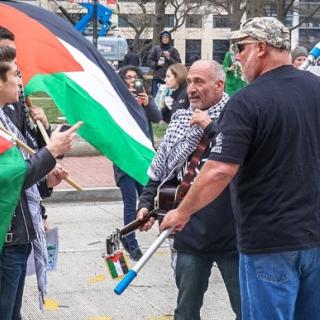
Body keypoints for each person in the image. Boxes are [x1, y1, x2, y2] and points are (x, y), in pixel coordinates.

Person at [161, 17, 320, 320]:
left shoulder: (247, 101)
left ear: (261, 48)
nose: (236, 57)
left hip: (269, 243)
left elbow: (219, 170)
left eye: (240, 48)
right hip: (313, 238)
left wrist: (183, 211)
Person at [137, 60, 240, 320]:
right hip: (189, 234)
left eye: (199, 82)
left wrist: (210, 127)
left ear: (219, 85)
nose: (191, 89)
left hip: (232, 236)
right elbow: (161, 169)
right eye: (190, 82)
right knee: (185, 311)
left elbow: (238, 157)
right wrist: (146, 203)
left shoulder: (236, 115)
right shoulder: (181, 118)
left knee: (247, 309)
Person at [0, 45, 81, 320]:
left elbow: (18, 179)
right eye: (16, 74)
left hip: (19, 236)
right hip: (6, 240)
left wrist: (46, 180)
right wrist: (51, 152)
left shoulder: (6, 119)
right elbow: (9, 178)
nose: (21, 81)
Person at [113, 65, 162, 261]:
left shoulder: (144, 98)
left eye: (135, 77)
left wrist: (147, 103)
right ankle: (130, 241)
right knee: (130, 203)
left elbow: (157, 118)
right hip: (125, 159)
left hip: (143, 159)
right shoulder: (118, 99)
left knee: (148, 200)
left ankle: (164, 232)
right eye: (127, 77)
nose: (131, 81)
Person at [147, 31, 181, 97]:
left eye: (167, 37)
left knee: (169, 98)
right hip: (157, 77)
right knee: (156, 97)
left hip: (170, 79)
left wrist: (169, 58)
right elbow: (149, 61)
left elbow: (178, 64)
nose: (165, 39)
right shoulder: (156, 49)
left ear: (169, 39)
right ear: (161, 39)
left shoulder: (173, 50)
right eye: (163, 37)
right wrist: (157, 64)